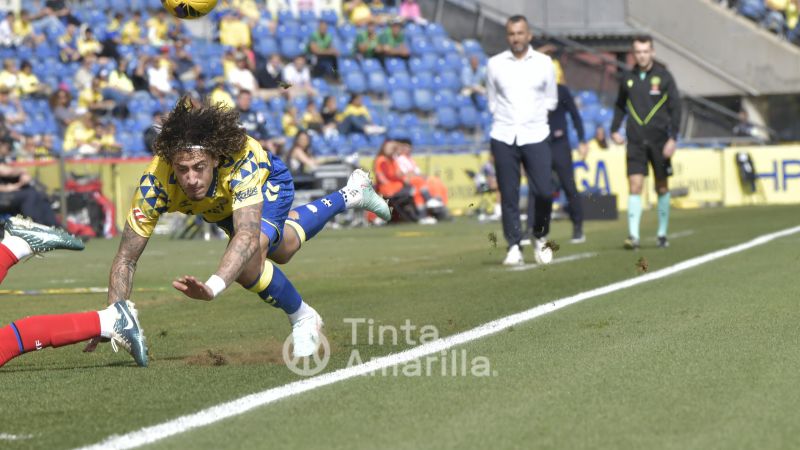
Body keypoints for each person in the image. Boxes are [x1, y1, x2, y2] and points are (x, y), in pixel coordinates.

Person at [80, 97, 391, 365]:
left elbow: (245, 237)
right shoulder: (154, 185)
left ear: (215, 159)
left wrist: (213, 287)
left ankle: (304, 317)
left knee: (249, 259)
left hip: (268, 182)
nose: (190, 178)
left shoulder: (243, 164)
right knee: (284, 249)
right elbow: (125, 258)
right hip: (221, 206)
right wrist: (113, 317)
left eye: (199, 167)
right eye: (182, 169)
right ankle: (352, 193)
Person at [486, 15, 557, 266]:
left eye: (520, 33)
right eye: (511, 34)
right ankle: (514, 245)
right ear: (508, 37)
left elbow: (551, 99)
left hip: (536, 133)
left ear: (529, 35)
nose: (516, 38)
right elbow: (492, 100)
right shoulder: (494, 64)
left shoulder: (544, 63)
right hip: (504, 135)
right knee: (509, 193)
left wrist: (532, 118)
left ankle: (539, 235)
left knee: (544, 192)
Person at [610, 35, 681, 250]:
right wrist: (614, 129)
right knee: (635, 185)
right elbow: (620, 105)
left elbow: (676, 108)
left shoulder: (664, 76)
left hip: (660, 141)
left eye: (645, 51)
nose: (641, 55)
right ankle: (633, 235)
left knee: (662, 186)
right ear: (633, 53)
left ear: (652, 52)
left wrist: (673, 138)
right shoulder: (627, 77)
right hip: (635, 141)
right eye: (638, 52)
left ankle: (662, 233)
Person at [528, 70, 587, 244]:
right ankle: (533, 228)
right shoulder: (533, 93)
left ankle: (578, 227)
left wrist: (582, 139)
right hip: (540, 144)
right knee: (536, 188)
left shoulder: (562, 91)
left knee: (569, 185)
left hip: (559, 144)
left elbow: (575, 116)